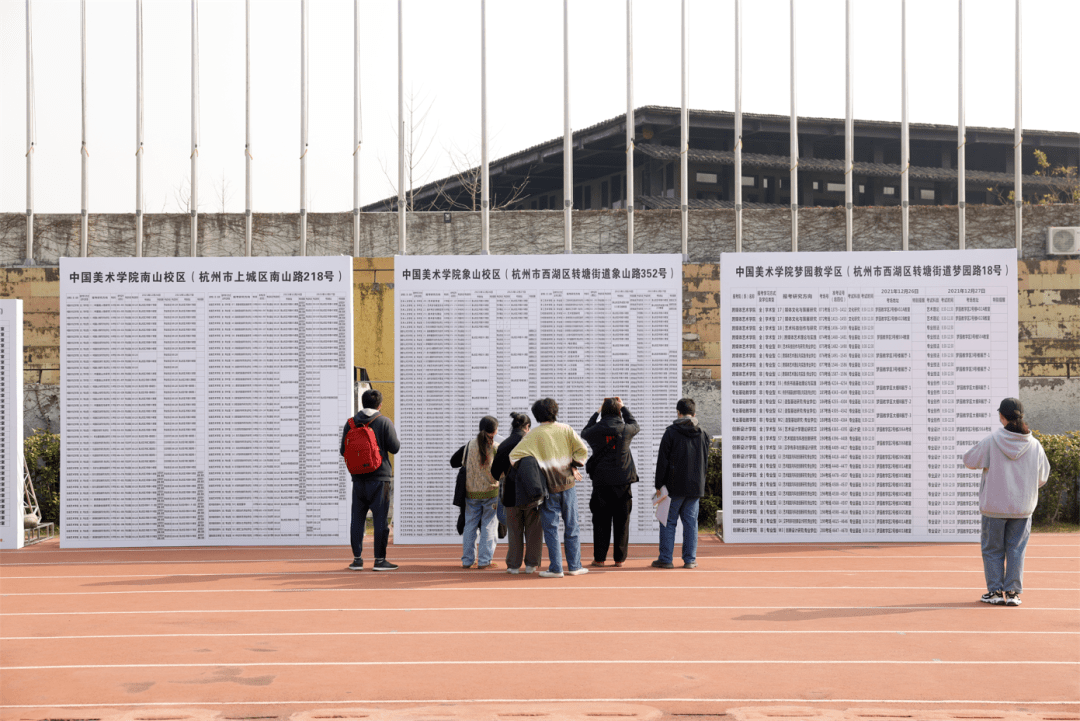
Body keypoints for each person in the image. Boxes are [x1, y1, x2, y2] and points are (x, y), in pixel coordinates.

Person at [963, 398, 1050, 606]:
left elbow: (969, 460)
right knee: (1016, 549)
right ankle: (1012, 593)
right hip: (1022, 508)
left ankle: (994, 592)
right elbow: (1043, 477)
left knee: (992, 549)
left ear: (1002, 416)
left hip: (994, 506)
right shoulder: (1034, 444)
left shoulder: (992, 440)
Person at [509, 398, 590, 578]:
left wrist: (534, 472)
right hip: (568, 485)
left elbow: (514, 457)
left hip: (548, 487)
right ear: (555, 411)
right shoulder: (566, 429)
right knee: (572, 526)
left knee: (551, 529)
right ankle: (575, 566)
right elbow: (582, 451)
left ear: (536, 415)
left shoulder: (533, 435)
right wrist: (573, 465)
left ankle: (556, 568)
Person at [340, 388, 400, 571]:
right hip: (379, 478)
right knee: (380, 519)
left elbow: (343, 450)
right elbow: (395, 447)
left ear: (362, 403)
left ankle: (357, 559)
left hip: (358, 479)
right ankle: (380, 560)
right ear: (380, 404)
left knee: (357, 518)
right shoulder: (384, 421)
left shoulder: (350, 423)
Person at [652, 398, 710, 570]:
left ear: (678, 412)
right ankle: (690, 560)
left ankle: (666, 559)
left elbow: (662, 461)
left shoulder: (671, 432)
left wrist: (658, 485)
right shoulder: (703, 433)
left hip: (673, 486)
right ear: (694, 413)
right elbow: (706, 462)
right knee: (691, 524)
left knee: (668, 522)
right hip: (695, 487)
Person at [581, 397, 639, 567]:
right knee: (622, 521)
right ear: (619, 411)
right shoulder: (625, 428)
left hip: (601, 482)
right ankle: (619, 559)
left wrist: (597, 412)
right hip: (623, 482)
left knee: (600, 521)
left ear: (603, 411)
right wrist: (624, 408)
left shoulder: (596, 429)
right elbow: (635, 424)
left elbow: (585, 431)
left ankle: (599, 558)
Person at [491, 412, 543, 574]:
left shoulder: (504, 444)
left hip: (511, 493)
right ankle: (531, 564)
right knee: (534, 531)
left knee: (514, 531)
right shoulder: (534, 443)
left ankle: (513, 565)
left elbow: (494, 473)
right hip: (532, 493)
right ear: (527, 427)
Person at [450, 416, 502, 569]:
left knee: (470, 525)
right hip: (491, 493)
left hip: (471, 494)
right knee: (489, 526)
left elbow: (453, 462)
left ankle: (467, 560)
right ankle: (485, 561)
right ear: (495, 430)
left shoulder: (468, 446)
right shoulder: (496, 448)